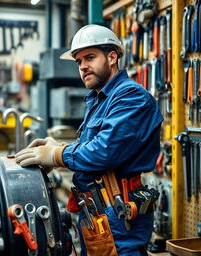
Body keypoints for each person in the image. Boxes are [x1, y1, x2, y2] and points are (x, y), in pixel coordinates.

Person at [15, 24, 163, 256]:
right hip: (95, 211)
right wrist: (60, 147)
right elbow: (94, 145)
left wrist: (57, 155)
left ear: (112, 57)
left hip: (118, 215)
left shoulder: (131, 97)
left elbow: (104, 152)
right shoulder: (98, 99)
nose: (83, 66)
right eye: (79, 61)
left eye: (90, 57)